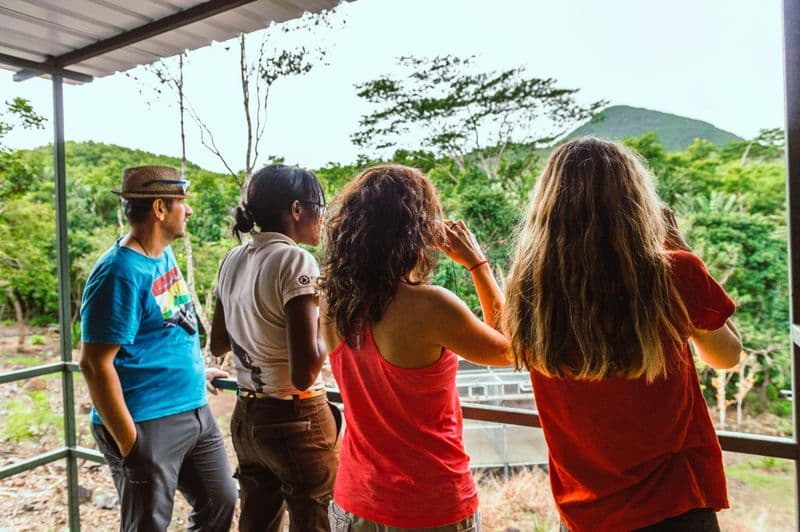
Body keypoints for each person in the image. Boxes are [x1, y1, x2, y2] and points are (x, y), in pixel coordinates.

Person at [502, 137, 743, 532]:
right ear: (635, 201)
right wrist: (681, 247)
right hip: (672, 504)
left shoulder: (530, 290)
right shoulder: (673, 273)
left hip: (582, 512)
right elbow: (727, 356)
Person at [320, 164, 511, 531]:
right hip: (430, 504)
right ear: (417, 230)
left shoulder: (331, 301)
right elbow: (509, 351)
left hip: (354, 501)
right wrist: (478, 265)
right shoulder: (430, 306)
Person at [79, 165, 237, 532]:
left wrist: (195, 369)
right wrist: (131, 444)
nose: (190, 210)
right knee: (148, 525)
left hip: (194, 409)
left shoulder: (162, 254)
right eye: (183, 202)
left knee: (221, 501)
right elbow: (94, 364)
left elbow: (170, 325)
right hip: (147, 418)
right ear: (160, 209)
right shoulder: (118, 273)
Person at [210, 164, 339, 532]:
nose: (321, 217)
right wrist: (331, 317)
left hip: (248, 418)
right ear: (296, 209)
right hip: (295, 418)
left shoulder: (233, 258)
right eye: (318, 207)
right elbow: (305, 373)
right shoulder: (295, 260)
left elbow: (219, 343)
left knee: (257, 523)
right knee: (314, 521)